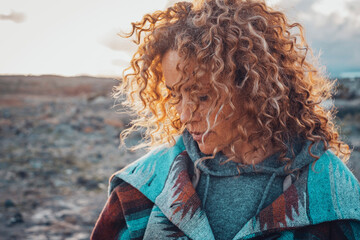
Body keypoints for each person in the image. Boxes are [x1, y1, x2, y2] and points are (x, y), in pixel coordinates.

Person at [91, 0, 360, 239]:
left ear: (254, 88)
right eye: (176, 95)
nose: (184, 115)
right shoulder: (140, 191)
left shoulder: (333, 194)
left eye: (203, 96)